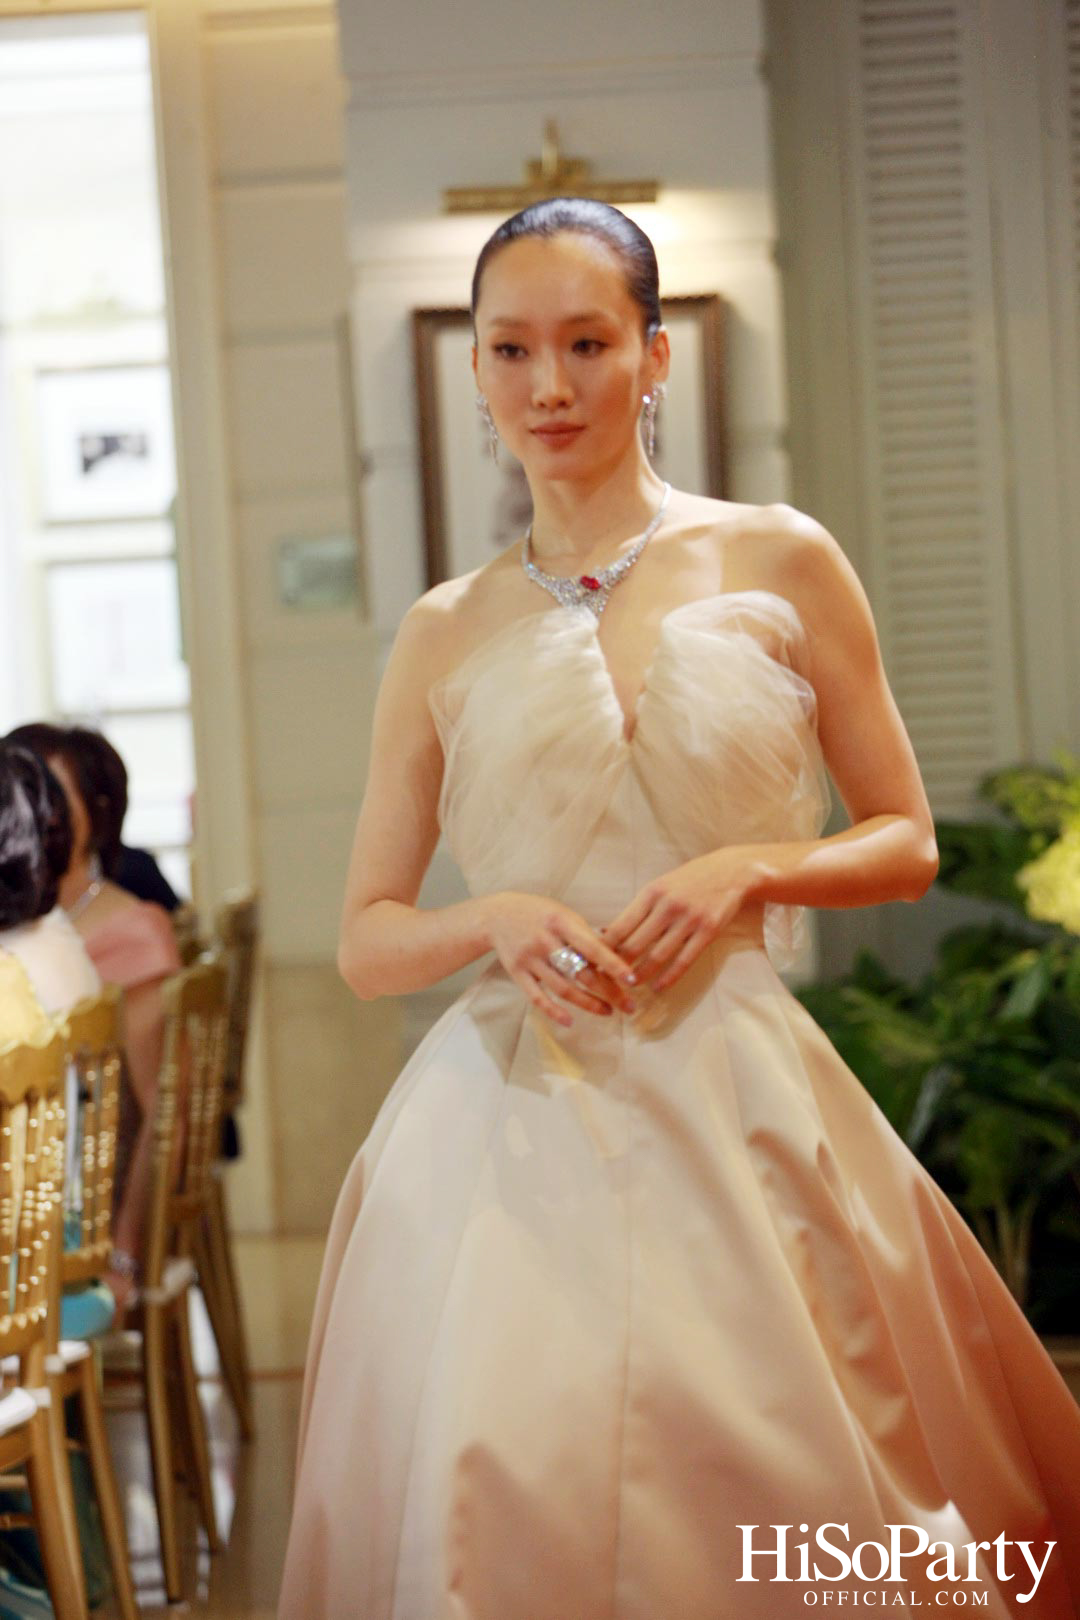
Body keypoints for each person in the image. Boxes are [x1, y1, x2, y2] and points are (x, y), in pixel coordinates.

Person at [277, 199, 1080, 1620]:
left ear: (656, 358)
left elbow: (900, 837)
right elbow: (365, 936)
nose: (550, 385)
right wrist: (495, 919)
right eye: (512, 348)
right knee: (504, 1482)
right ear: (475, 373)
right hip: (503, 1117)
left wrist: (748, 869)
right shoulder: (445, 629)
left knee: (801, 1470)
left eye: (588, 343)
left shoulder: (777, 557)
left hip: (740, 1082)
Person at [4, 722, 182, 1319]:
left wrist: (126, 1251)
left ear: (95, 815)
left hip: (76, 1226)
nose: (38, 810)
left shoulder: (114, 932)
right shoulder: (44, 933)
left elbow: (161, 1107)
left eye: (52, 794)